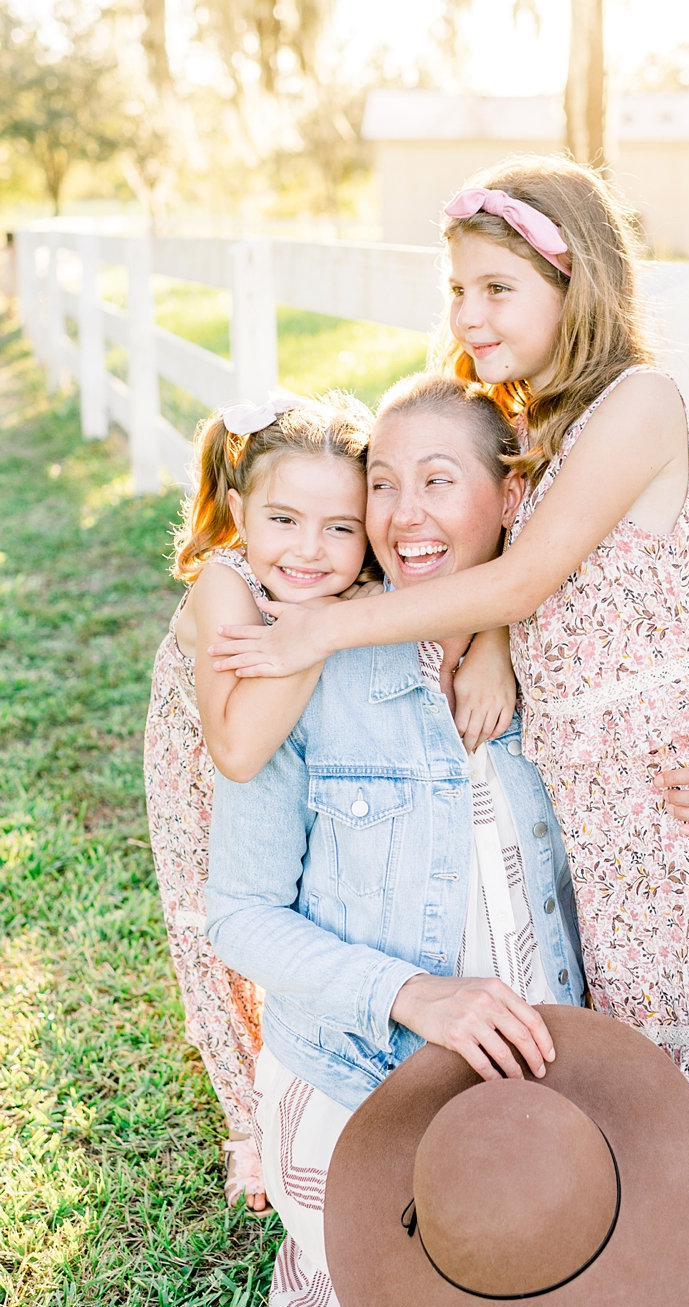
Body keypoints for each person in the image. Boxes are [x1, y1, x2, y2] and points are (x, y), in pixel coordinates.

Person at [208, 161, 689, 1307]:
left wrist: (332, 620)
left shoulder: (638, 398)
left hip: (678, 795)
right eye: (455, 289)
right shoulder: (539, 430)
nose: (468, 313)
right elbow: (500, 545)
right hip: (596, 818)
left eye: (495, 285)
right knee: (648, 1075)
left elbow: (531, 562)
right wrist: (491, 641)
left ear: (578, 274)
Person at [203, 380, 689, 1307]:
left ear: (512, 500)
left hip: (545, 1089)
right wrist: (416, 994)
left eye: (438, 482)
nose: (403, 514)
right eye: (383, 485)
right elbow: (239, 914)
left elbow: (679, 789)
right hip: (366, 1068)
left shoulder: (555, 653)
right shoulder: (306, 664)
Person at [144, 392, 514, 1213]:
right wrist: (316, 630)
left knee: (302, 914)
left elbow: (467, 585)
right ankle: (248, 1121)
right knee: (213, 934)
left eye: (342, 527)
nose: (310, 551)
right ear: (240, 512)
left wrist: (493, 641)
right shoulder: (229, 586)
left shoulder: (358, 575)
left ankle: (290, 1056)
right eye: (283, 520)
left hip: (292, 749)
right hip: (209, 757)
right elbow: (237, 751)